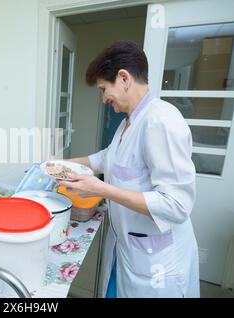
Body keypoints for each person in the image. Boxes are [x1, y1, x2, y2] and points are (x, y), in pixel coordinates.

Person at [59, 41, 199, 298]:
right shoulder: (129, 124)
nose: (103, 99)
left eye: (104, 89)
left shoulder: (161, 122)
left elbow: (176, 205)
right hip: (129, 250)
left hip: (157, 265)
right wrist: (60, 164)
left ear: (123, 78)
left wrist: (102, 189)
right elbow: (106, 158)